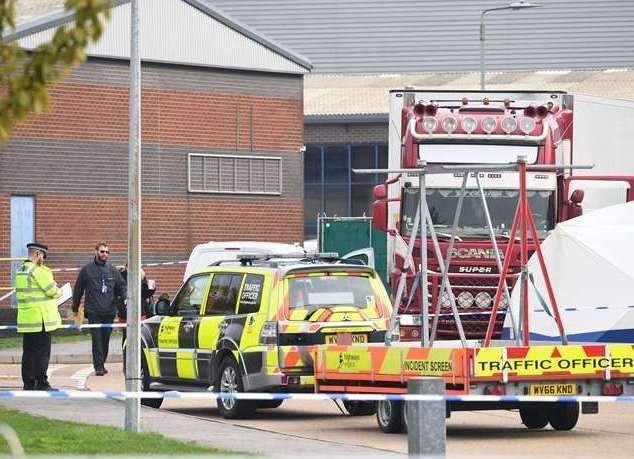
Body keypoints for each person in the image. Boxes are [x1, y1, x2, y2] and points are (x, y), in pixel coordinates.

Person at [72, 241, 125, 376]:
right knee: (97, 339)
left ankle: (102, 362)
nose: (105, 254)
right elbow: (78, 289)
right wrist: (75, 307)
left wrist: (125, 298)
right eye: (102, 251)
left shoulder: (113, 270)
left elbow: (121, 286)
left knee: (105, 339)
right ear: (95, 252)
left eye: (107, 252)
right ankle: (99, 366)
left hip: (109, 311)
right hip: (93, 311)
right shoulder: (86, 270)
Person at [14, 243, 62, 391]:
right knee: (42, 353)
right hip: (41, 319)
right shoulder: (37, 270)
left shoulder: (21, 270)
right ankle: (42, 382)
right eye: (43, 256)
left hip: (27, 319)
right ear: (37, 254)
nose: (43, 259)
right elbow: (52, 291)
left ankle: (28, 383)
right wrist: (58, 290)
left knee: (28, 353)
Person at [115, 264, 154, 347]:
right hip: (130, 312)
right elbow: (144, 293)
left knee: (133, 336)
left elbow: (144, 293)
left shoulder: (139, 274)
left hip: (134, 311)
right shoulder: (123, 275)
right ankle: (129, 356)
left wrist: (151, 288)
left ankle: (131, 356)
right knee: (131, 336)